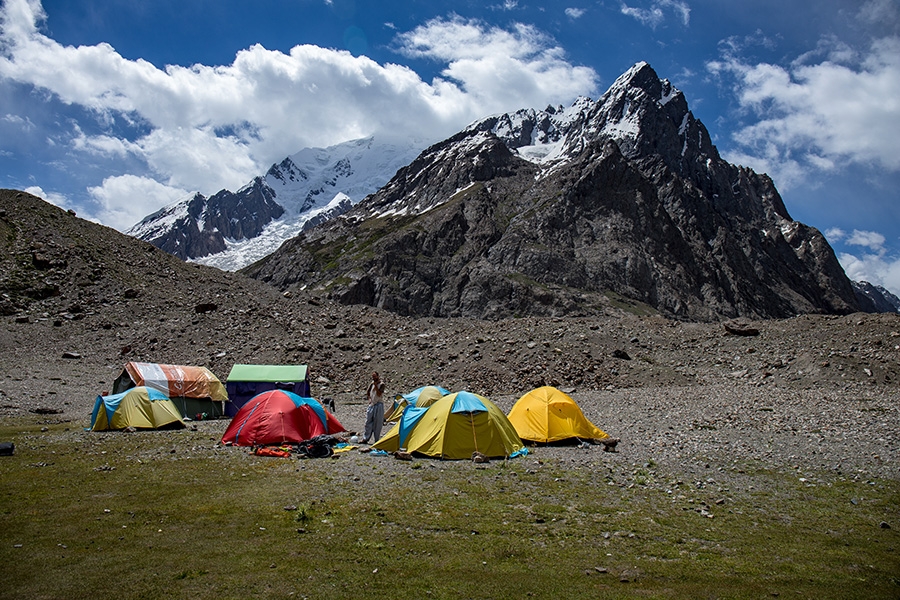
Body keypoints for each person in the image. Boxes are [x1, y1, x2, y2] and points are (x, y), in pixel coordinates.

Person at [362, 371, 386, 444]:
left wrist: (376, 385)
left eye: (375, 376)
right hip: (372, 404)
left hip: (379, 404)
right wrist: (369, 399)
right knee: (368, 422)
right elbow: (368, 392)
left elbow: (379, 394)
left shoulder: (381, 384)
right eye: (373, 376)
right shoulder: (371, 384)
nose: (374, 378)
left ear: (378, 376)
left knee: (378, 423)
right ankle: (366, 438)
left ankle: (376, 439)